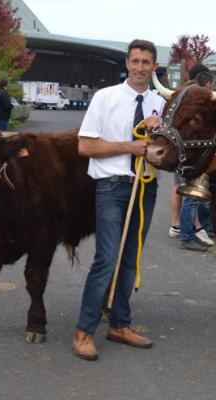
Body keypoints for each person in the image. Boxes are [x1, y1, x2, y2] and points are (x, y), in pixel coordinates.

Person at [72, 39, 165, 361]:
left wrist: (157, 136)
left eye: (147, 62)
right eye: (135, 61)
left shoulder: (161, 102)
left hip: (146, 186)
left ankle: (119, 324)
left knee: (131, 258)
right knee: (107, 258)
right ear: (127, 63)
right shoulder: (105, 98)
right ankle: (84, 331)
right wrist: (130, 146)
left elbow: (167, 151)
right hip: (112, 186)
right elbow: (85, 147)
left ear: (155, 66)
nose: (140, 67)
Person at [177, 64, 215, 252]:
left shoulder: (184, 94)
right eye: (210, 85)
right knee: (191, 197)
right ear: (205, 83)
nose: (211, 90)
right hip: (191, 155)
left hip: (193, 154)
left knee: (195, 196)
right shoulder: (194, 100)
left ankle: (199, 229)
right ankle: (186, 237)